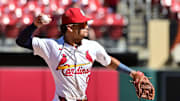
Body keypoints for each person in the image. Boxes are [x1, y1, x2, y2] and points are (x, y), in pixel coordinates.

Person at [16, 8, 154, 101]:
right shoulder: (52, 46)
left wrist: (132, 73)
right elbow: (22, 41)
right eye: (82, 24)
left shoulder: (92, 46)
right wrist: (33, 26)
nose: (86, 26)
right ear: (70, 27)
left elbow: (108, 61)